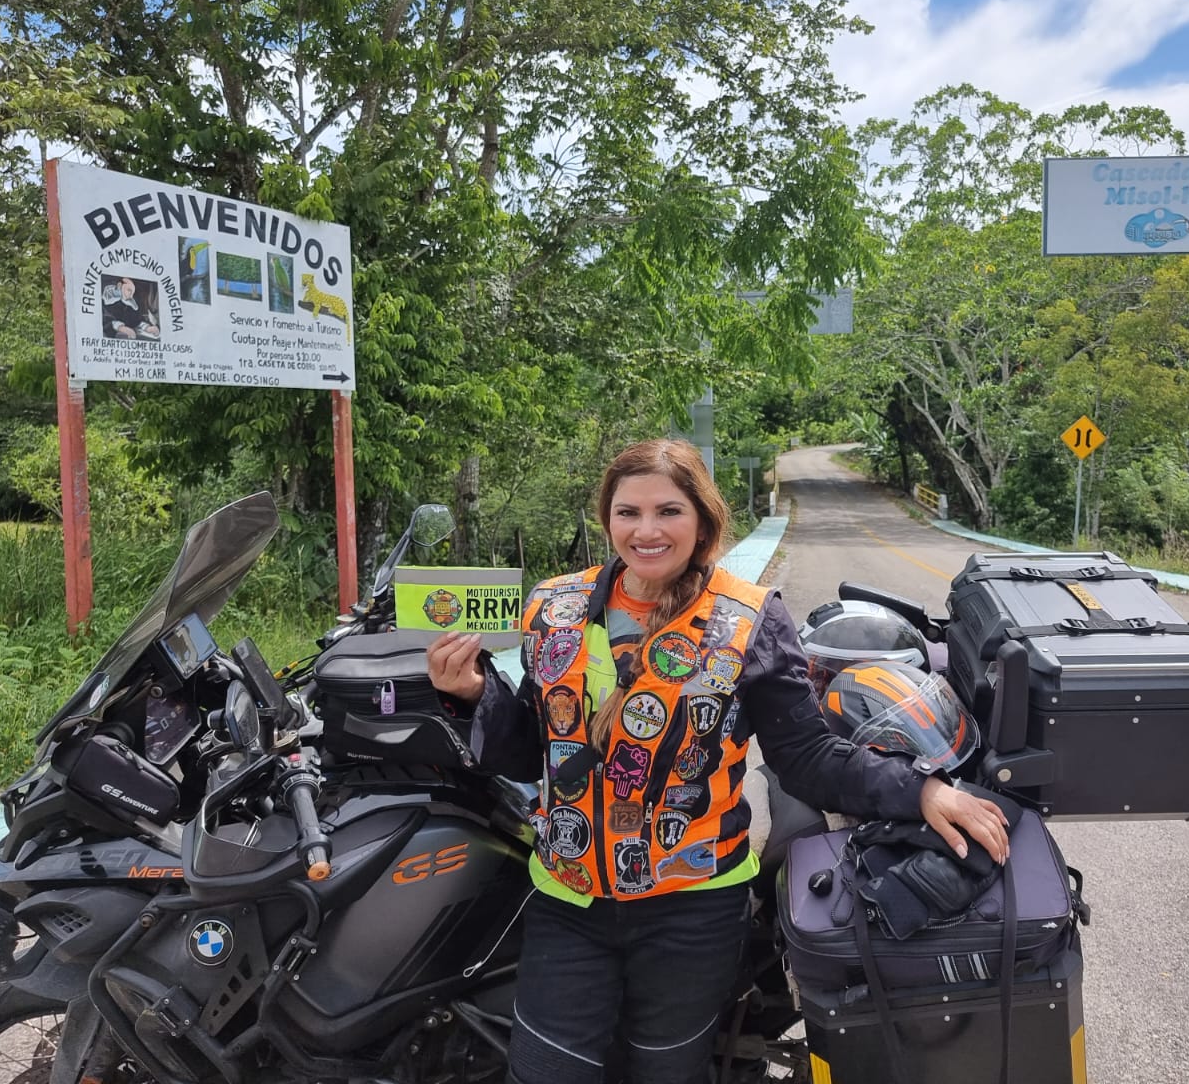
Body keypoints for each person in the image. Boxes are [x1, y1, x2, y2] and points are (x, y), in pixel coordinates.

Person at [428, 438, 1009, 1084]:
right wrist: (473, 694)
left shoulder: (748, 620)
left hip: (692, 911)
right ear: (606, 519)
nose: (646, 530)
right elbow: (531, 751)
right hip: (569, 902)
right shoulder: (553, 608)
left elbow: (808, 758)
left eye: (667, 511)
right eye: (628, 513)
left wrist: (923, 792)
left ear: (701, 519)